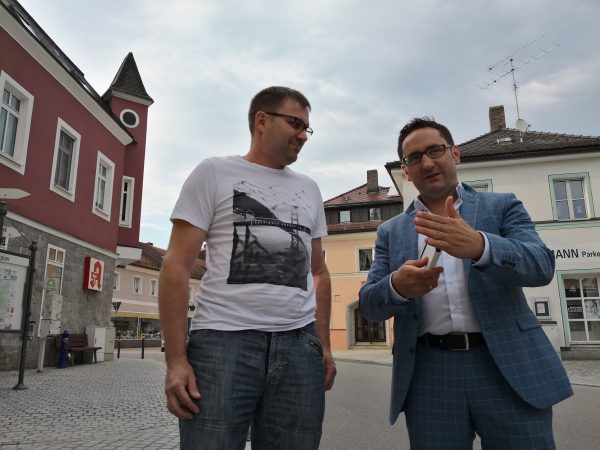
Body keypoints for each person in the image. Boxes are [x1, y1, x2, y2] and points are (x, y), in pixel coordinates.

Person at [359, 117, 573, 449]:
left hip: (506, 366)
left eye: (435, 150)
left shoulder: (501, 206)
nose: (427, 162)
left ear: (455, 154)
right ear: (406, 170)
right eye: (414, 158)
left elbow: (541, 265)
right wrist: (397, 287)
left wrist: (481, 246)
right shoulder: (391, 231)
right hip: (430, 374)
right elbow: (370, 304)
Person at [158, 86, 336, 450]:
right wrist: (176, 360)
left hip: (299, 345)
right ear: (261, 121)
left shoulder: (310, 189)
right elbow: (176, 266)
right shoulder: (214, 172)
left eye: (307, 128)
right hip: (222, 343)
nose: (303, 135)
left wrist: (324, 345)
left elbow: (319, 272)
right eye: (295, 124)